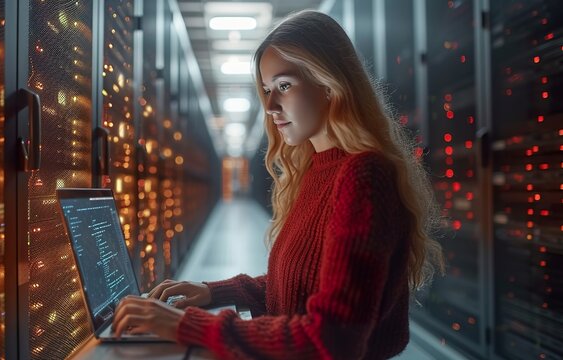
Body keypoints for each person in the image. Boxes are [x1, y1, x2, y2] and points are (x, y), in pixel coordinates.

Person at [112, 10, 445, 359]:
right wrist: (213, 291)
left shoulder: (364, 176)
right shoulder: (314, 171)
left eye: (284, 86)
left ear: (329, 83)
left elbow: (331, 339)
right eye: (267, 90)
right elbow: (297, 289)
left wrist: (187, 325)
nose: (270, 106)